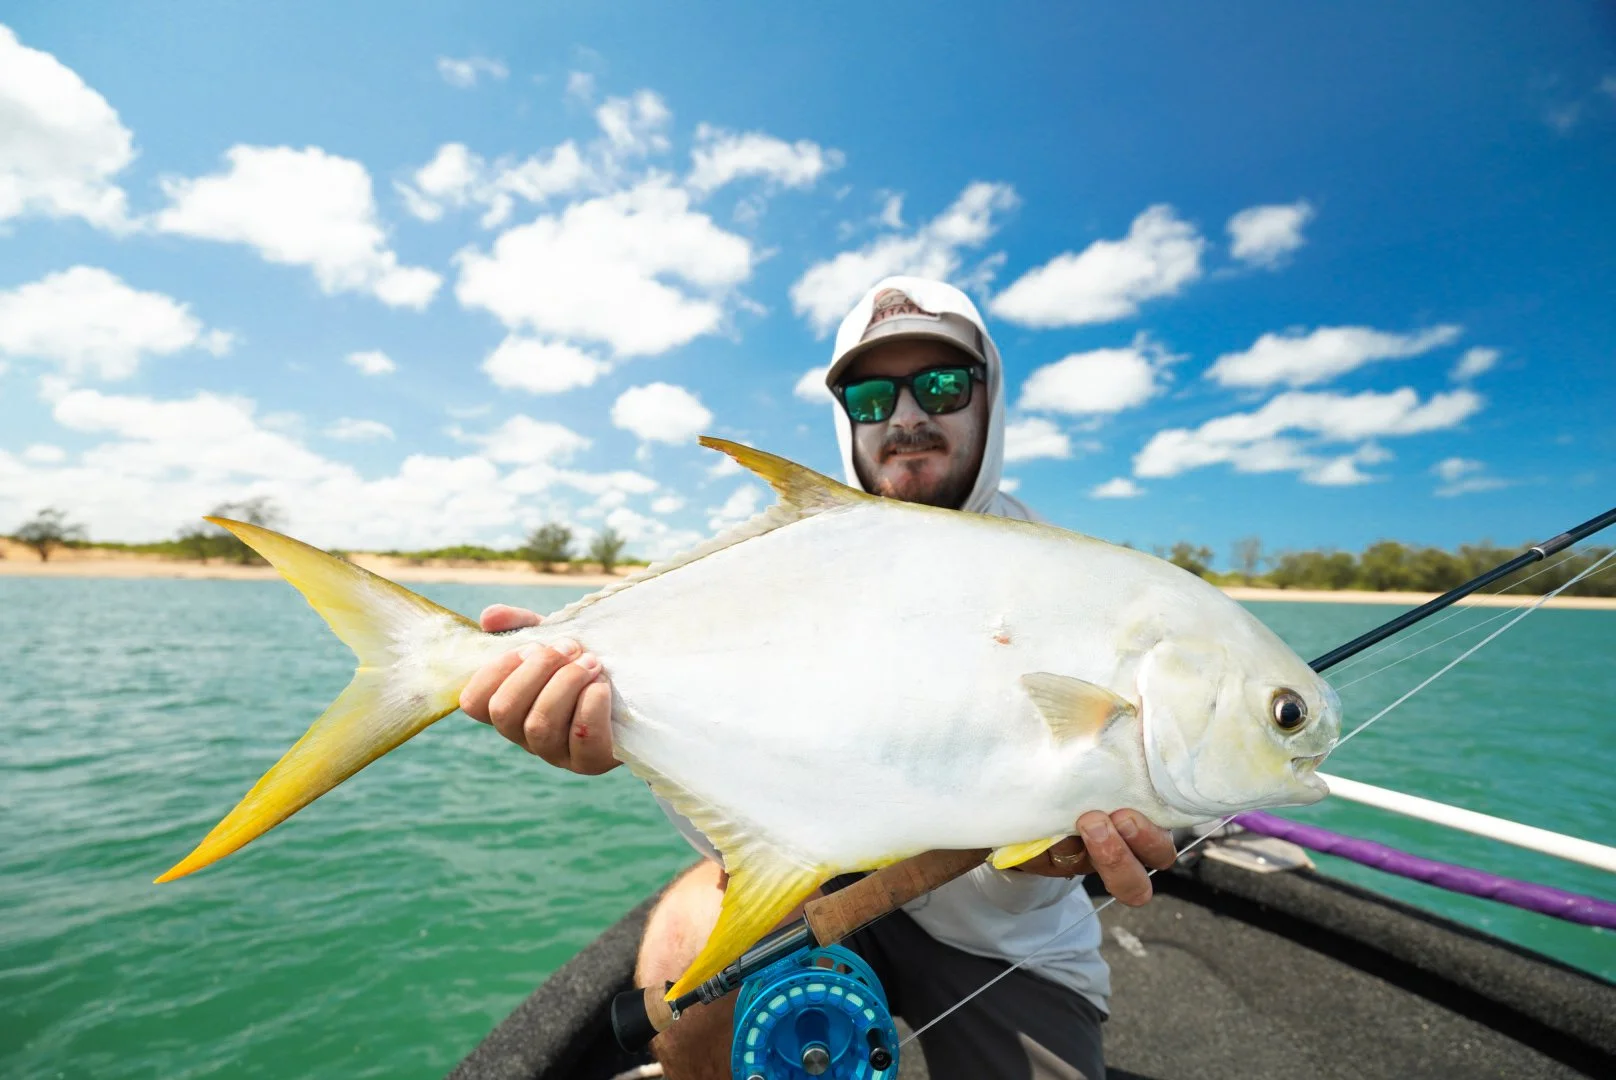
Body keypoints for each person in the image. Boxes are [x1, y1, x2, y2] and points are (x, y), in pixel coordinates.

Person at [459, 276, 1176, 1080]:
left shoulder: (1083, 586)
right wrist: (612, 738)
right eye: (872, 397)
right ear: (847, 420)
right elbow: (732, 782)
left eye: (941, 386)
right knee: (685, 955)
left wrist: (1103, 831)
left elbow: (1143, 777)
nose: (907, 417)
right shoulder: (766, 570)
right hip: (813, 888)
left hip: (1009, 939)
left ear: (990, 398)